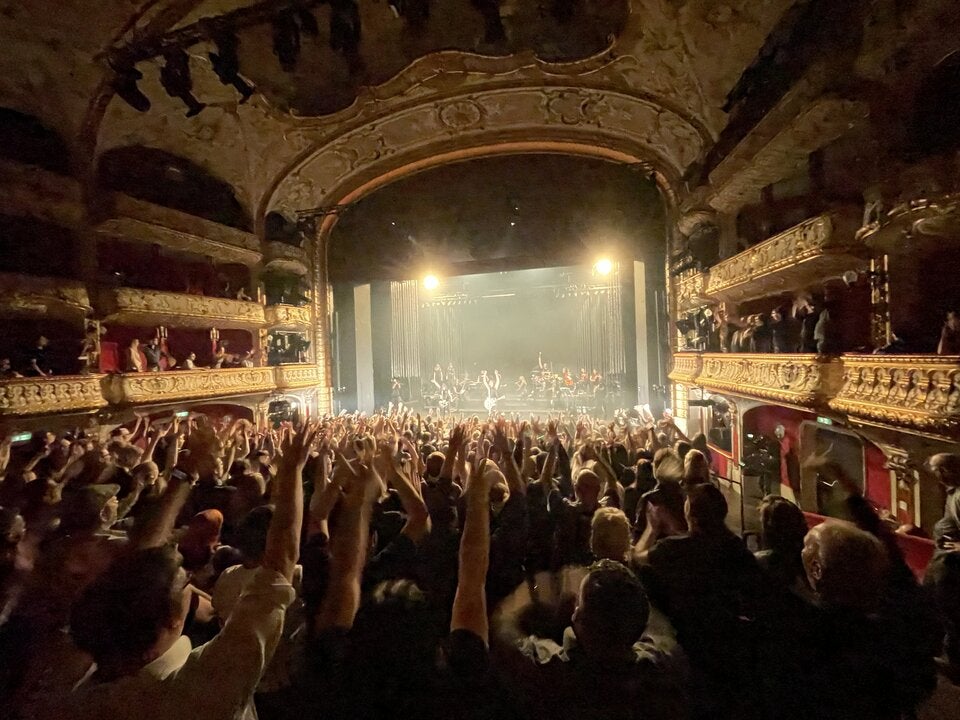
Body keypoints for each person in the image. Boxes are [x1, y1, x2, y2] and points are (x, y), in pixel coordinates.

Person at [33, 422, 317, 720]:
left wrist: (185, 473)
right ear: (171, 620)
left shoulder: (83, 684)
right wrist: (292, 470)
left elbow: (137, 570)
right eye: (184, 583)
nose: (191, 583)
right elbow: (279, 565)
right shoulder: (199, 689)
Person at [492, 559, 687, 720]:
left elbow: (503, 630)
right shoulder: (663, 666)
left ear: (576, 616)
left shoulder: (547, 671)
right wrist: (614, 593)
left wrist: (527, 596)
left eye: (578, 603)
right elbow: (654, 623)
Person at [925, 453, 960, 673]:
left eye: (937, 470)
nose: (936, 475)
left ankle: (955, 662)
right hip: (948, 563)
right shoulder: (953, 493)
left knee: (951, 615)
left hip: (953, 566)